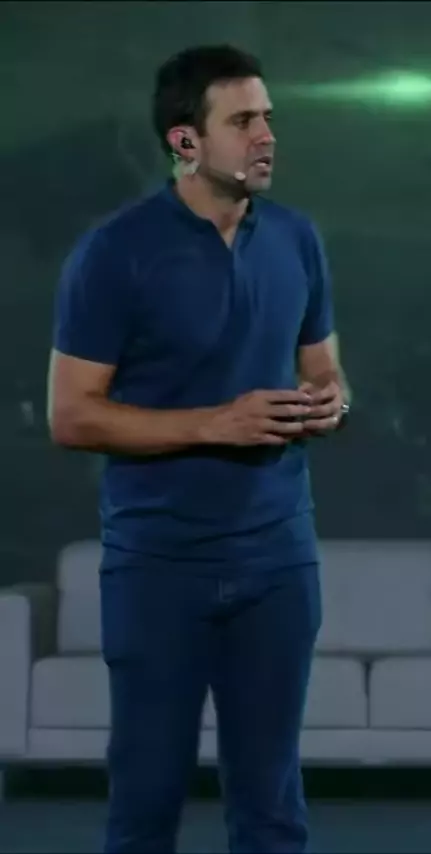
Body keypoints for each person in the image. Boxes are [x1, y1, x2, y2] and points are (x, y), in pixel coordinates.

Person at [47, 44, 350, 854]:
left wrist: (332, 399)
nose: (266, 136)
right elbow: (72, 416)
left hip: (279, 561)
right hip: (159, 567)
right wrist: (216, 424)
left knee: (273, 808)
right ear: (186, 141)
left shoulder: (297, 239)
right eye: (243, 120)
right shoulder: (114, 253)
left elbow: (323, 367)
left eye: (268, 118)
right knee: (145, 803)